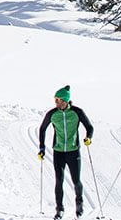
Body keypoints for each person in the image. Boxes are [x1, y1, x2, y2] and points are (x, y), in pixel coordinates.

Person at [38, 85, 95, 220]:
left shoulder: (77, 112)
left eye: (58, 100)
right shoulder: (52, 114)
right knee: (59, 180)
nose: (56, 102)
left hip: (73, 151)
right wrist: (42, 148)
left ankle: (79, 204)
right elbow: (42, 129)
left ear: (65, 100)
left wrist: (88, 138)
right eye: (55, 100)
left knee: (76, 180)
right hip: (58, 152)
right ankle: (59, 209)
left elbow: (90, 127)